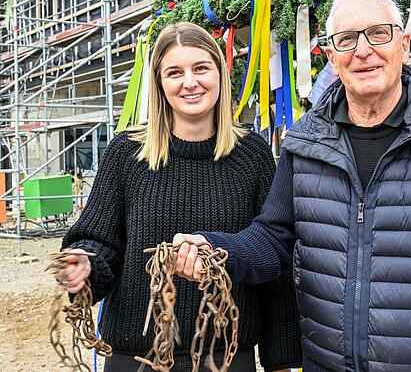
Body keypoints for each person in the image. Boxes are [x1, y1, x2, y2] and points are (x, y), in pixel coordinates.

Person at [173, 0, 411, 371]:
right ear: (332, 58)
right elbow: (274, 238)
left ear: (403, 45)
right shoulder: (304, 143)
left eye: (378, 33)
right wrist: (217, 252)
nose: (363, 50)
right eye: (347, 40)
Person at [54, 22, 302, 372]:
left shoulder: (253, 155)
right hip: (136, 359)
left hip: (227, 359)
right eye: (174, 72)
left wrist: (282, 362)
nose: (190, 82)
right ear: (159, 83)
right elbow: (99, 244)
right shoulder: (127, 155)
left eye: (201, 68)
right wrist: (85, 267)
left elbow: (274, 259)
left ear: (220, 73)